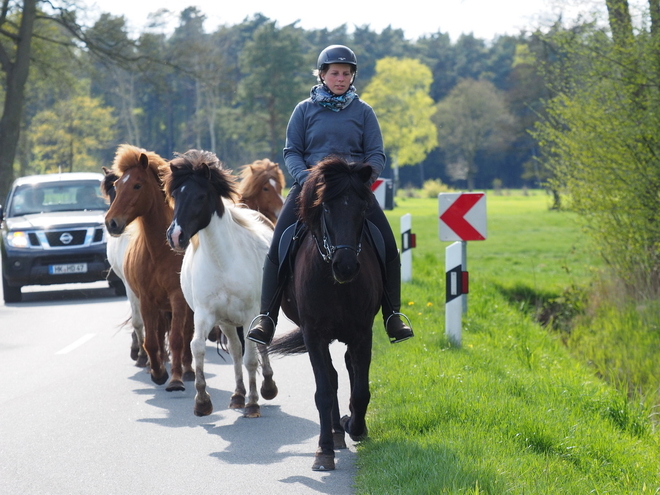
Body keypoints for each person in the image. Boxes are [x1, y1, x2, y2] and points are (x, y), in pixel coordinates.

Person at [247, 45, 414, 346]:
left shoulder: (364, 112)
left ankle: (393, 316)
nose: (340, 78)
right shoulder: (303, 110)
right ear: (322, 75)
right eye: (335, 73)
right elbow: (293, 152)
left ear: (352, 77)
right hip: (310, 189)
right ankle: (266, 317)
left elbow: (375, 154)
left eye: (346, 74)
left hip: (353, 192)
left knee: (387, 246)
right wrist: (307, 180)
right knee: (279, 245)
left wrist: (363, 181)